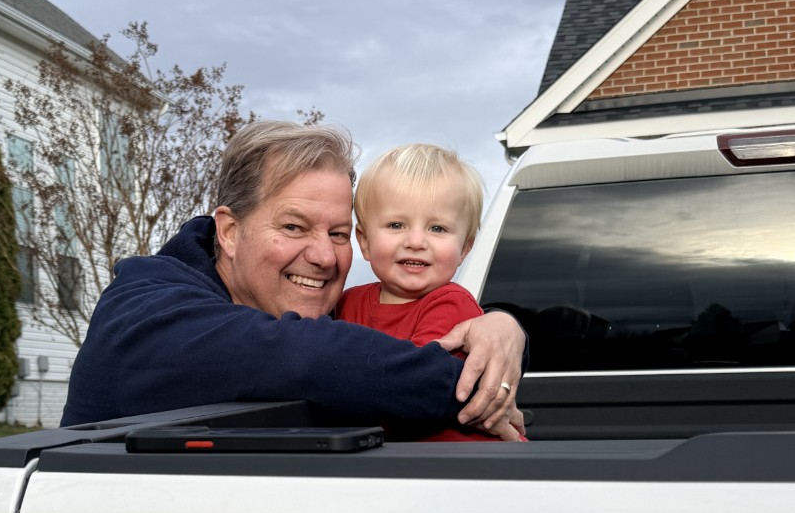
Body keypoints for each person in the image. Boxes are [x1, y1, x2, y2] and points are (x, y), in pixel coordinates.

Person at [60, 120, 524, 434]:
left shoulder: (316, 307)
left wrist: (501, 326)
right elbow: (302, 358)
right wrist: (473, 390)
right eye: (293, 227)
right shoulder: (145, 311)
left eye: (338, 233)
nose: (323, 256)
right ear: (230, 231)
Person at [339, 142, 509, 440]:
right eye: (396, 224)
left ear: (465, 248)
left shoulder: (452, 305)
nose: (416, 241)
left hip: (464, 469)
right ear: (364, 241)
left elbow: (410, 384)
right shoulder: (347, 303)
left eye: (437, 229)